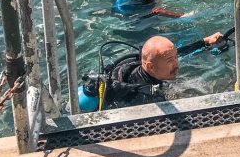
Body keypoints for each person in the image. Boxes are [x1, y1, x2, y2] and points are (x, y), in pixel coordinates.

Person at [79, 32, 225, 111]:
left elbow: (180, 53)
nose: (176, 63)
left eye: (175, 58)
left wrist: (205, 41)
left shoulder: (141, 65)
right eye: (170, 61)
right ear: (150, 66)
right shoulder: (144, 95)